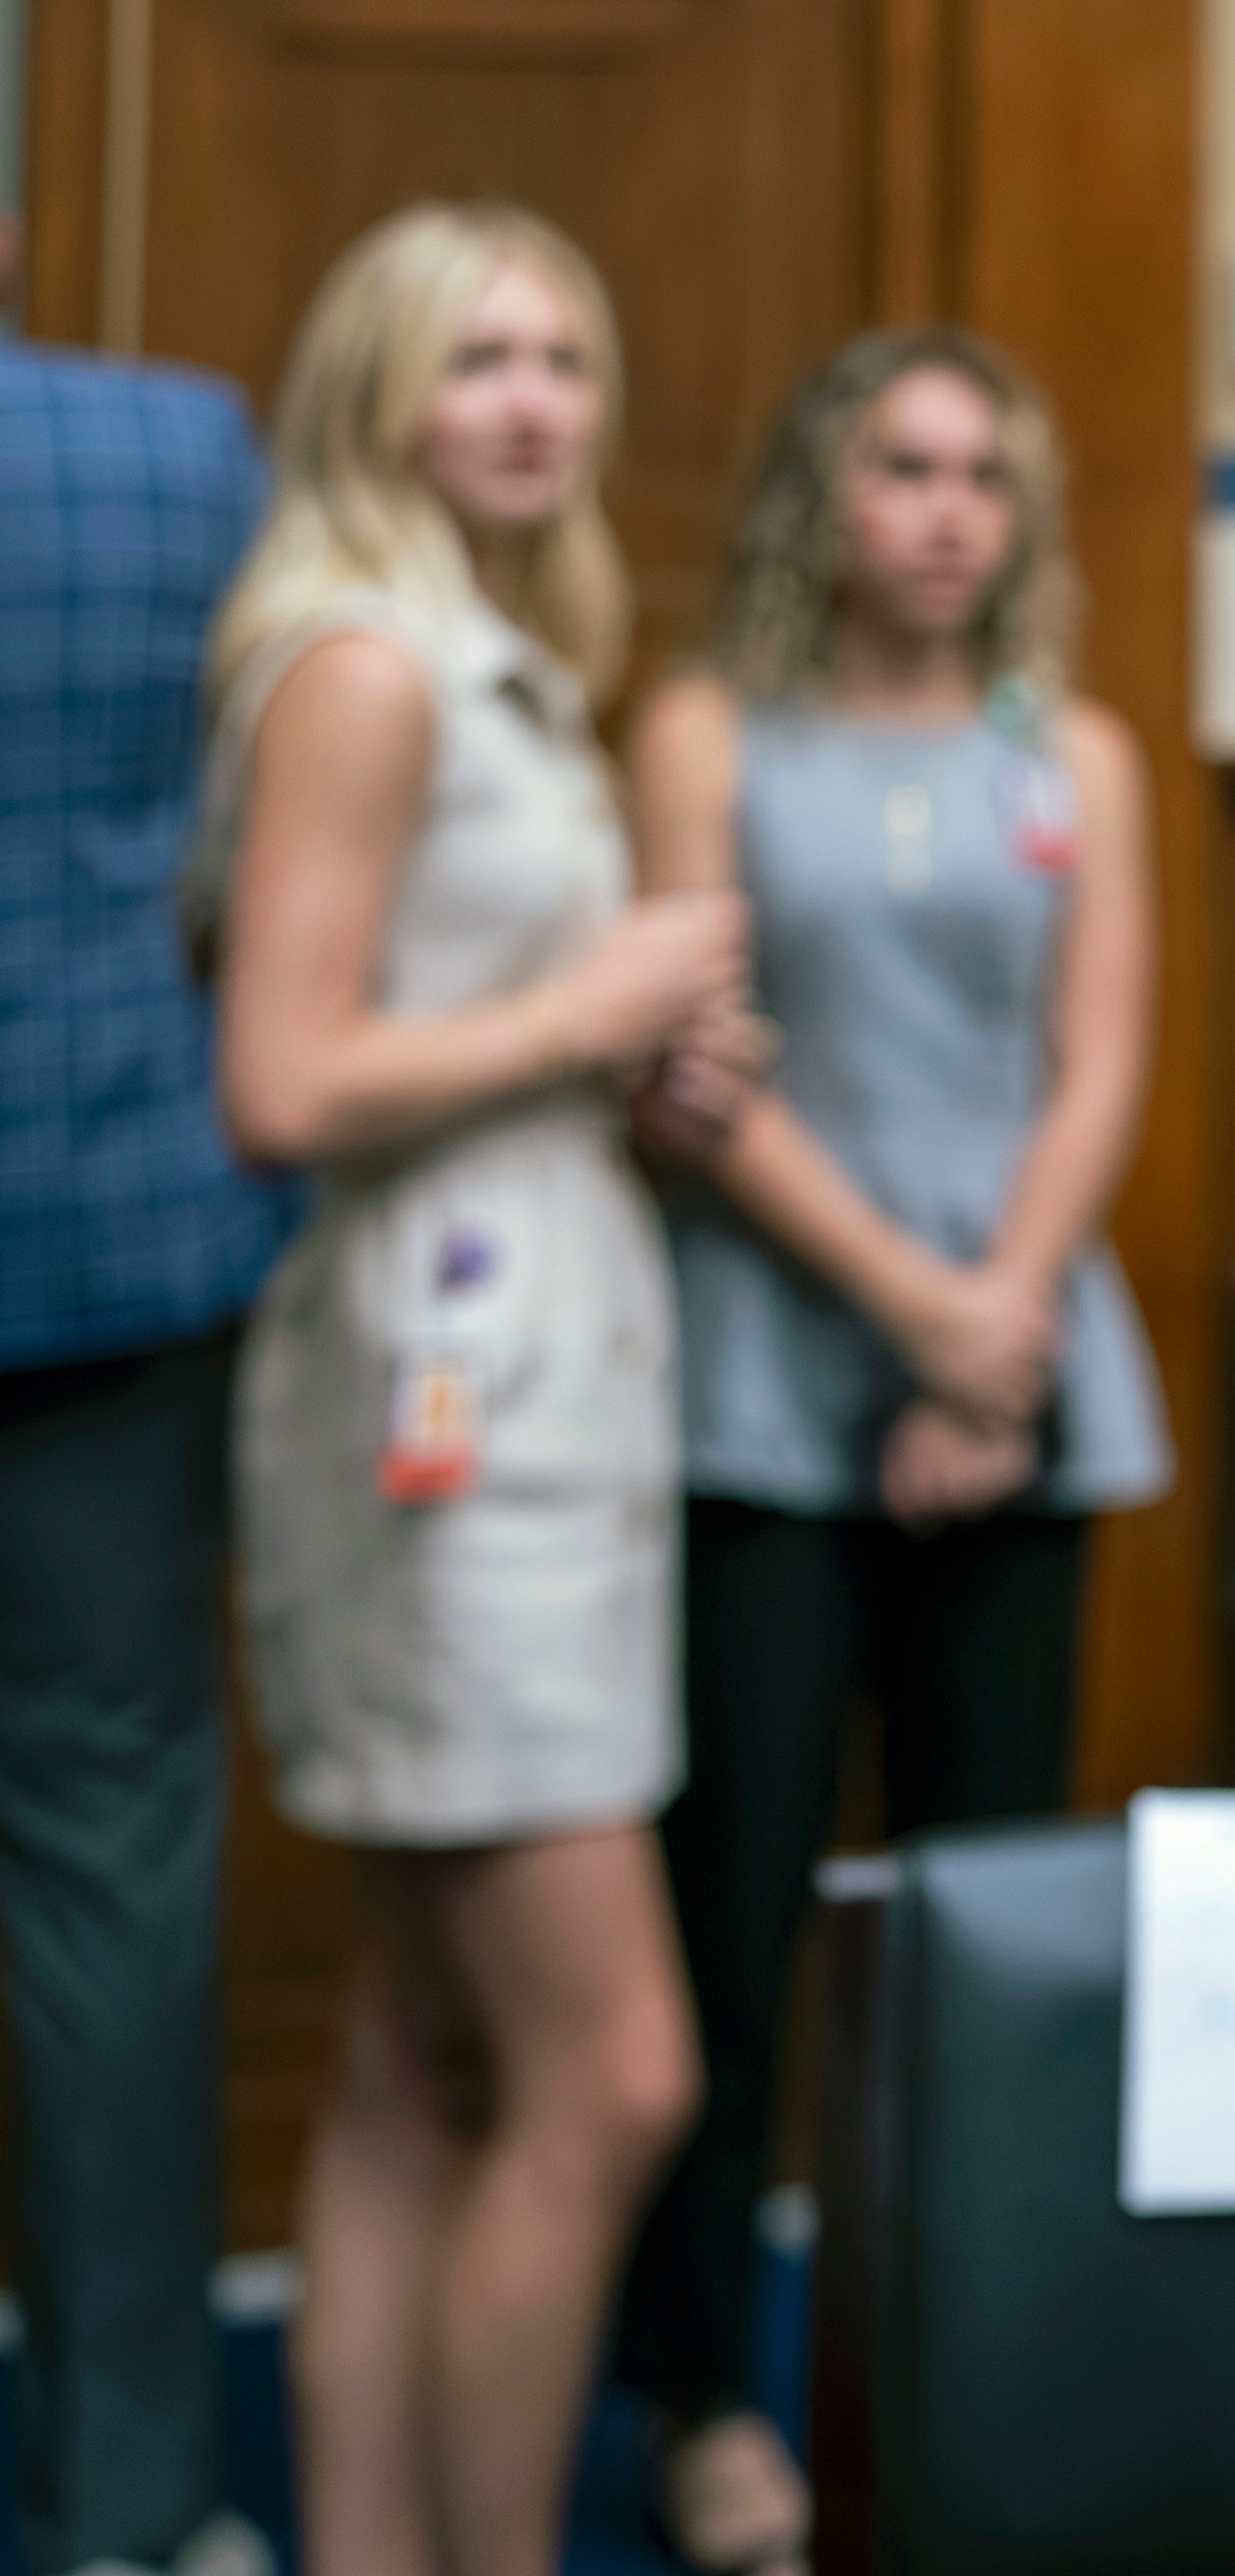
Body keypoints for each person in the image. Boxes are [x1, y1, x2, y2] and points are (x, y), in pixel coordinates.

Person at [197, 204, 756, 2576]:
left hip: (520, 1366)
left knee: (424, 2074)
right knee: (615, 2073)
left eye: (563, 353)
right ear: (379, 396)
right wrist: (598, 1002)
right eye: (476, 361)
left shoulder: (501, 657)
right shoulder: (372, 668)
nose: (532, 398)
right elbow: (285, 1073)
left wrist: (647, 1075)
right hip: (449, 1421)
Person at [610, 325, 1166, 2576]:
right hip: (769, 1386)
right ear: (823, 496)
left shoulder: (1080, 753)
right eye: (903, 468)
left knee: (973, 1927)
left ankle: (962, 2363)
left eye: (983, 476)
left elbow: (1098, 1059)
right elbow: (693, 1064)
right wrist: (915, 1315)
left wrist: (991, 1334)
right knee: (728, 1935)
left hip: (1014, 1391)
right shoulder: (703, 731)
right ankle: (694, 2402)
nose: (946, 510)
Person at [0, 338, 299, 2576]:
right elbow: (258, 812)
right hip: (108, 1233)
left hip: (120, 1253)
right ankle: (129, 2511)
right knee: (115, 1874)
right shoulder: (177, 453)